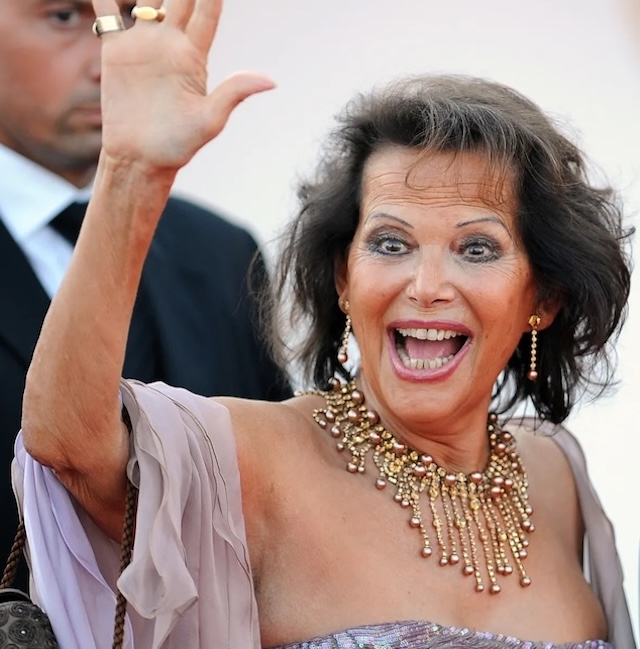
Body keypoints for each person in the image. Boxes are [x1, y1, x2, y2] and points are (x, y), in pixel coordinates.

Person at [12, 0, 637, 646]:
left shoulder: (556, 475)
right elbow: (66, 441)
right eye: (391, 244)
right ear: (343, 278)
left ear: (545, 296)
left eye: (476, 248)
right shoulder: (256, 460)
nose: (425, 287)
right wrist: (131, 174)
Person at [0, 0, 291, 587]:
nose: (118, 56)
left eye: (135, 17)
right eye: (64, 17)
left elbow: (278, 515)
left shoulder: (221, 253)